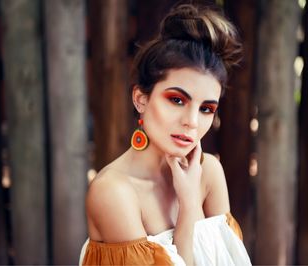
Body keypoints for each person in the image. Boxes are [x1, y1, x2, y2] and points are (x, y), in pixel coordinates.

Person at [79, 3, 251, 266]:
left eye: (206, 108)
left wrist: (192, 194)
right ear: (141, 99)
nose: (192, 122)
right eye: (177, 100)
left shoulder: (209, 173)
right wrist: (189, 204)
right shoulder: (113, 193)